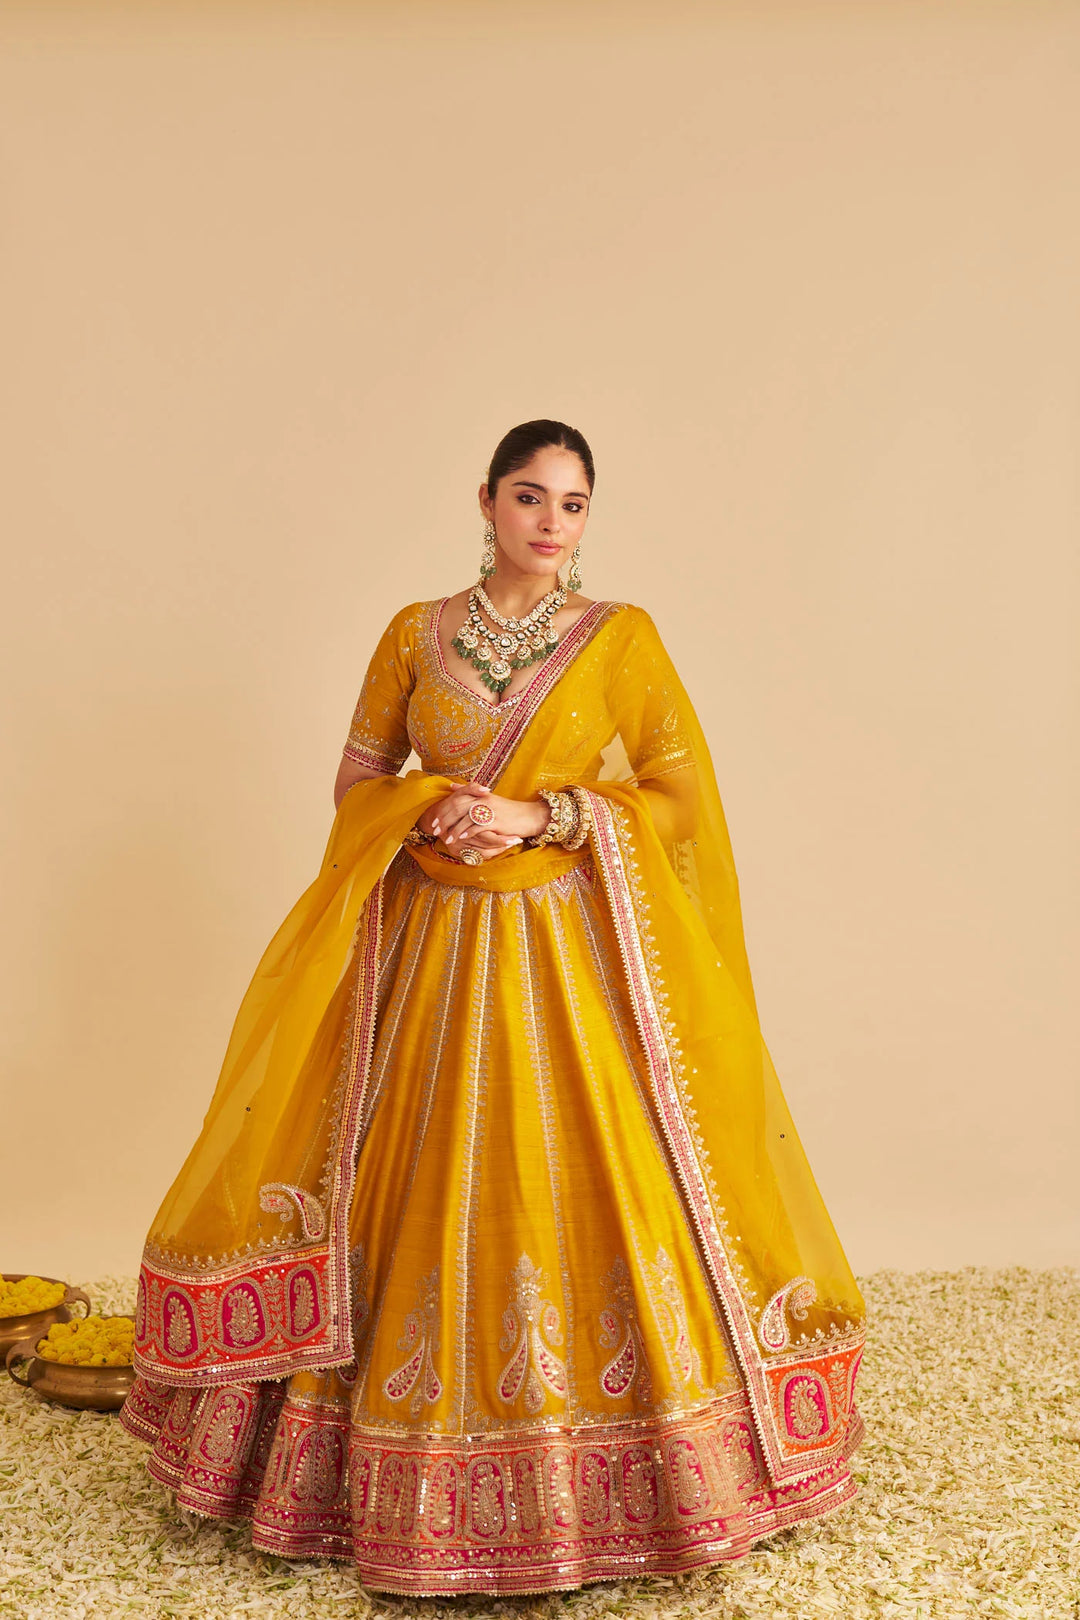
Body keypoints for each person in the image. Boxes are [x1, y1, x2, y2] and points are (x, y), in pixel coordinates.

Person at [121, 419, 866, 1596]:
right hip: (428, 940)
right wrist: (427, 814)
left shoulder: (620, 640)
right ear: (486, 500)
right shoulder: (413, 636)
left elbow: (676, 797)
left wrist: (543, 817)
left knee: (590, 1172)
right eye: (531, 497)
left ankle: (644, 1470)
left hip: (565, 946)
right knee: (397, 1167)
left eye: (573, 506)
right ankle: (352, 1470)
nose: (551, 524)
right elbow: (358, 781)